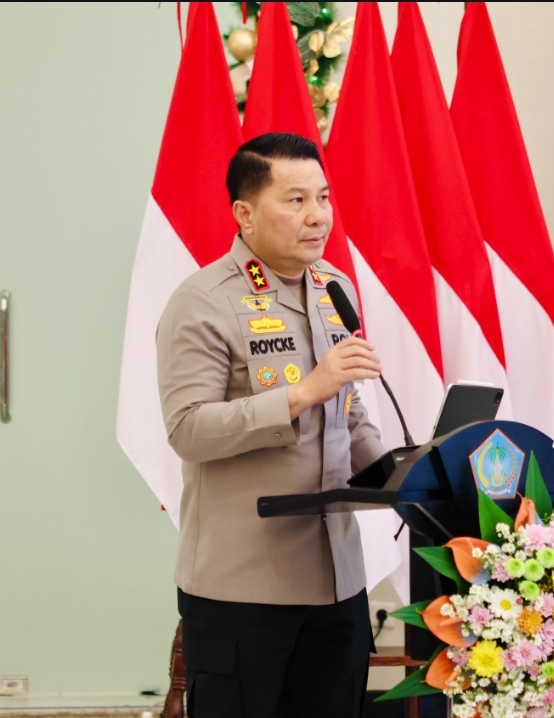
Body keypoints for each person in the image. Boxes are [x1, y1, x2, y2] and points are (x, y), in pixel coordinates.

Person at [155, 132, 388, 718]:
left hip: (337, 584)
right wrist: (301, 393)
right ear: (245, 214)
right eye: (296, 200)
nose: (318, 216)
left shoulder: (333, 287)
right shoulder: (203, 301)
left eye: (324, 197)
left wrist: (406, 472)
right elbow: (188, 428)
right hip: (244, 589)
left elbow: (347, 409)